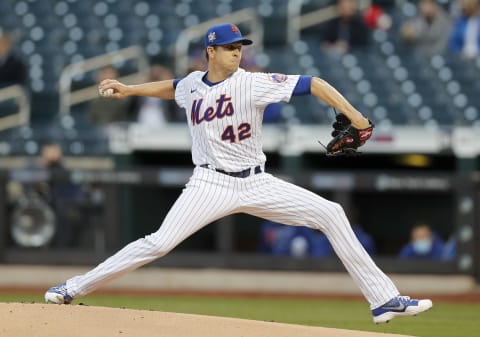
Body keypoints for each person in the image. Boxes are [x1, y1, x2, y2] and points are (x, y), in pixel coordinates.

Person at [45, 23, 432, 324]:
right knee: (158, 243)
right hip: (209, 182)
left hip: (256, 181)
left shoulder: (253, 82)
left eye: (239, 48)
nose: (237, 54)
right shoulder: (193, 85)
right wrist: (129, 90)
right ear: (210, 52)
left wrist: (357, 117)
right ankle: (73, 287)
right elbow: (174, 88)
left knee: (331, 213)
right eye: (230, 48)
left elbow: (313, 83)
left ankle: (383, 300)